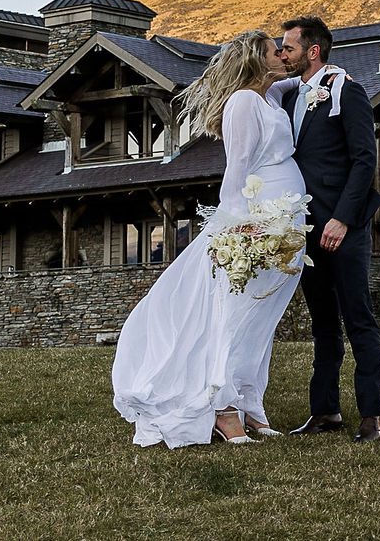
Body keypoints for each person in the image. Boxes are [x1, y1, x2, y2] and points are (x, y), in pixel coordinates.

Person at [111, 30, 308, 447]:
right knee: (234, 316)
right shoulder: (243, 102)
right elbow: (235, 169)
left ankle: (250, 403)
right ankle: (222, 407)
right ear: (258, 61)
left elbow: (301, 77)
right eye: (278, 51)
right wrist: (239, 228)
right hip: (258, 219)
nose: (284, 55)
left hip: (287, 217)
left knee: (261, 320)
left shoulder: (269, 95)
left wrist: (325, 74)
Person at [275, 16, 380, 443]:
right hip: (305, 229)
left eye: (288, 47)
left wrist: (342, 218)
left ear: (313, 51)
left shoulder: (346, 90)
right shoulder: (289, 97)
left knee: (358, 318)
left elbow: (365, 159)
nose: (282, 54)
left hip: (345, 227)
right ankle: (325, 412)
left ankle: (371, 414)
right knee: (323, 323)